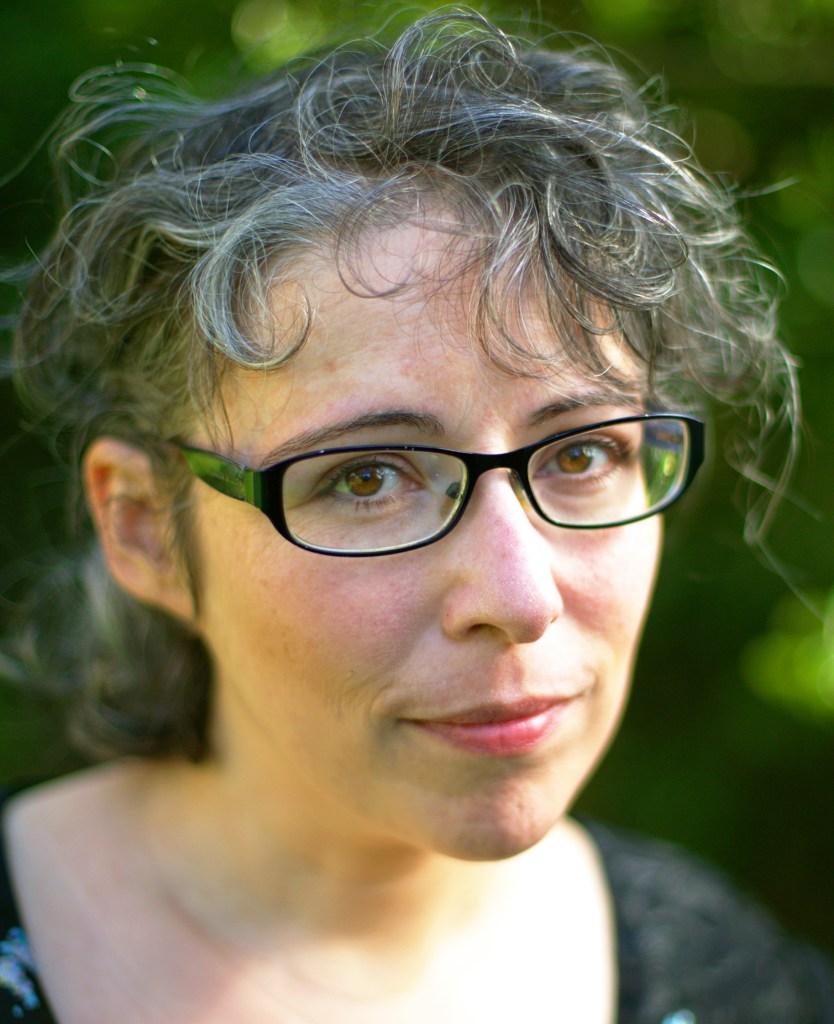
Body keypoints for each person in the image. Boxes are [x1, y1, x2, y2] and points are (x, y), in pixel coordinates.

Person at [0, 9, 831, 1023]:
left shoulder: (734, 979)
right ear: (142, 529)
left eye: (582, 453)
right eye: (365, 477)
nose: (519, 599)